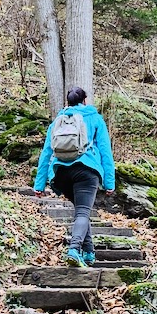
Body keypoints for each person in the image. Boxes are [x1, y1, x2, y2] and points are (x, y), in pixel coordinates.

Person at [33, 87, 115, 268]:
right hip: (87, 171)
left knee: (81, 211)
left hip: (61, 173)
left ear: (68, 102)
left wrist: (39, 184)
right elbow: (105, 152)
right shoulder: (95, 118)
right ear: (85, 100)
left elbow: (46, 153)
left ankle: (89, 253)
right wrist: (109, 182)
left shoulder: (58, 121)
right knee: (83, 212)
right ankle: (74, 249)